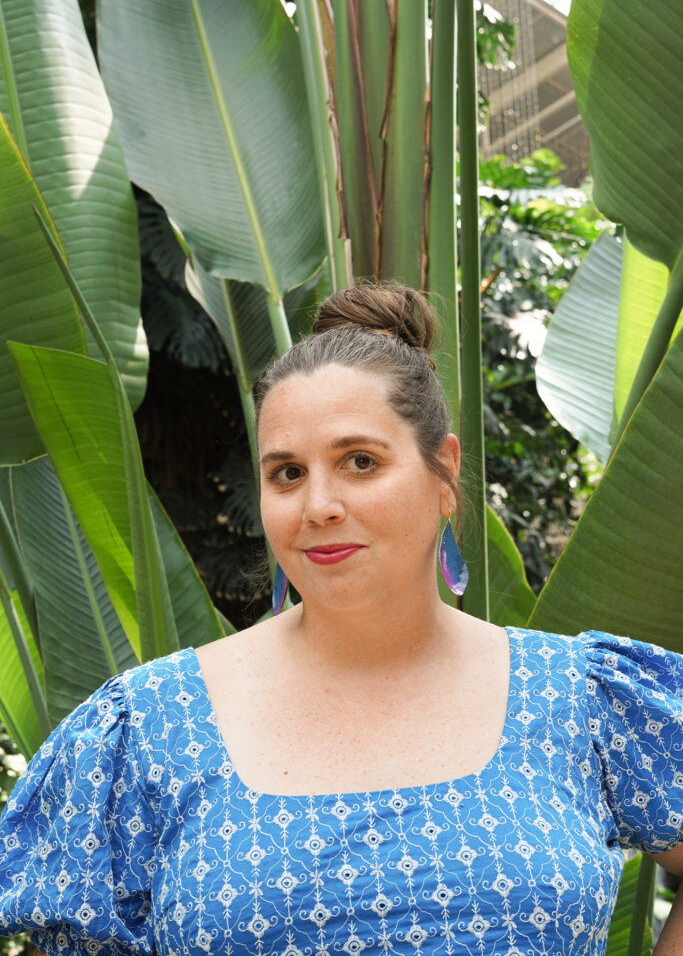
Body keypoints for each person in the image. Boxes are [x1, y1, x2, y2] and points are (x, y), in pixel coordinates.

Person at [0, 283, 681, 955]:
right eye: (287, 474)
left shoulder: (578, 696)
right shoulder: (149, 726)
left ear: (442, 472)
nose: (318, 504)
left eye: (359, 462)